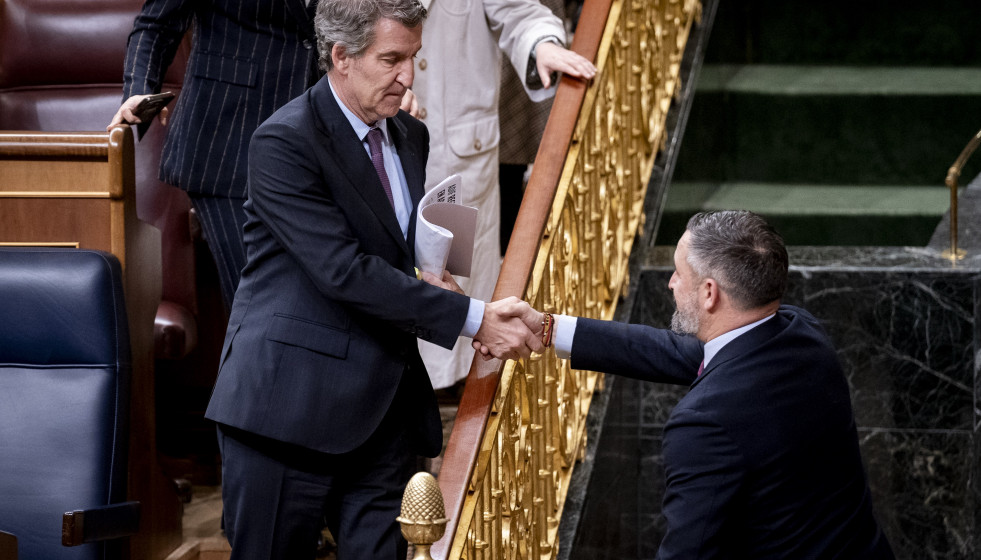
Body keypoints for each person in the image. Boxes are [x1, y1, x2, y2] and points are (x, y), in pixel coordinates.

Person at [202, 0, 543, 558]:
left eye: (413, 57)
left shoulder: (411, 136)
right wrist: (472, 318)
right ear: (341, 56)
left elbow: (410, 246)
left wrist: (444, 278)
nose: (408, 76)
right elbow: (344, 271)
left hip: (385, 415)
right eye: (391, 60)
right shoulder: (283, 141)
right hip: (287, 415)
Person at [480, 210, 895, 559]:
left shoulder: (704, 423)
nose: (671, 283)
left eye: (679, 273)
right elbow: (676, 351)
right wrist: (550, 328)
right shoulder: (801, 331)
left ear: (709, 293)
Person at [412, 0, 597, 390]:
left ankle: (457, 394)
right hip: (381, 143)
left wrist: (542, 44)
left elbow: (520, 12)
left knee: (455, 277)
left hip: (458, 160)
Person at [107, 0, 323, 309]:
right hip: (227, 143)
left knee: (319, 304)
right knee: (261, 305)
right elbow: (157, 23)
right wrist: (138, 89)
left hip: (315, 143)